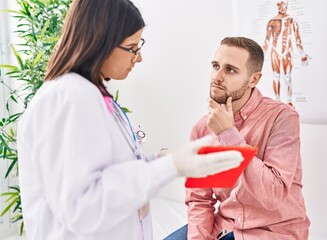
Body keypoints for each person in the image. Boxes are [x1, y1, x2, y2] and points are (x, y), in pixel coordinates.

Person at [16, 1, 244, 239]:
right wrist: (169, 166)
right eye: (132, 47)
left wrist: (158, 160)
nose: (139, 58)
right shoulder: (67, 97)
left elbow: (105, 168)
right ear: (100, 43)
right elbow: (83, 207)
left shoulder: (92, 94)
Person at [165, 37, 310, 240]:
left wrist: (228, 134)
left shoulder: (282, 118)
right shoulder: (202, 128)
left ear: (254, 79)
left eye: (230, 70)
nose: (217, 77)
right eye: (216, 66)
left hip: (272, 231)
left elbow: (273, 194)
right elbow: (200, 199)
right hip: (225, 225)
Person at [263, 0, 310, 106]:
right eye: (281, 4)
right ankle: (277, 101)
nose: (283, 7)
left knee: (287, 77)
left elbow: (297, 37)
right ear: (277, 5)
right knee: (276, 76)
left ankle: (289, 101)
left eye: (285, 4)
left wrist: (302, 54)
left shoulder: (291, 19)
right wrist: (259, 55)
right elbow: (267, 40)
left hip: (287, 51)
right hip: (275, 51)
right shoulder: (271, 21)